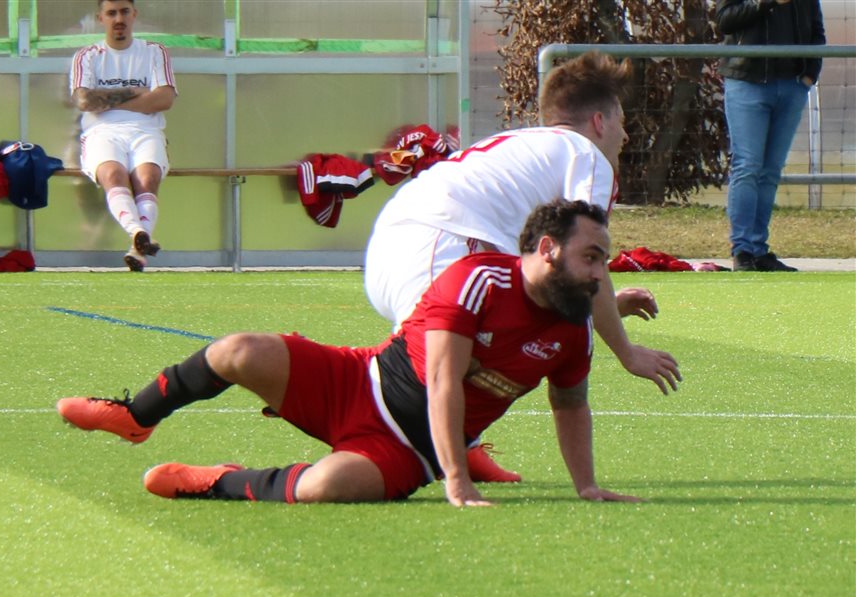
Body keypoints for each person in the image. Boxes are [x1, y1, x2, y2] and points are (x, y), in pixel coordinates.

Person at [56, 200, 642, 507]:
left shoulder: (574, 328)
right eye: (592, 257)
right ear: (548, 248)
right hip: (358, 380)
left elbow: (571, 405)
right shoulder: (480, 279)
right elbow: (442, 383)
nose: (601, 273)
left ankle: (217, 481)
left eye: (603, 262)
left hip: (408, 452)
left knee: (323, 488)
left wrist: (586, 486)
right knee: (238, 351)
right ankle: (136, 416)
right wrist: (459, 482)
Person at [364, 51, 681, 482]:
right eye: (621, 121)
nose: (624, 136)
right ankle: (364, 442)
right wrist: (627, 353)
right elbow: (585, 252)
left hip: (399, 242)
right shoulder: (586, 155)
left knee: (484, 344)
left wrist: (601, 307)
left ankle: (460, 448)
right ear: (599, 122)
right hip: (441, 240)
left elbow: (544, 274)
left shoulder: (528, 147)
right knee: (434, 367)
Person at [716, 0, 825, 272]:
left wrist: (810, 74)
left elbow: (816, 29)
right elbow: (725, 20)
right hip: (746, 81)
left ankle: (759, 249)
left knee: (770, 170)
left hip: (792, 86)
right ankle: (742, 250)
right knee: (747, 165)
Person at [69, 0, 177, 271]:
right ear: (100, 18)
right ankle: (139, 235)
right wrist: (139, 93)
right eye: (111, 13)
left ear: (134, 14)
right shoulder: (87, 56)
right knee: (113, 175)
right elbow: (84, 101)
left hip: (146, 130)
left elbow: (164, 99)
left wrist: (107, 100)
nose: (119, 19)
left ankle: (137, 244)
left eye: (124, 12)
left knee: (147, 178)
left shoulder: (154, 52)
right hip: (101, 132)